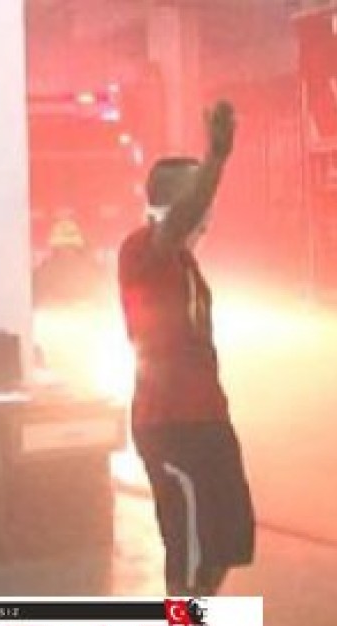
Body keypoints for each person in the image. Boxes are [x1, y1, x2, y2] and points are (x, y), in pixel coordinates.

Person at [117, 100, 255, 597]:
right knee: (190, 557)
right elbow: (181, 220)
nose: (208, 207)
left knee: (225, 544)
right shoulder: (143, 251)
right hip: (170, 426)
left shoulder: (186, 264)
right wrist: (216, 160)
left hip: (208, 423)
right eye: (198, 194)